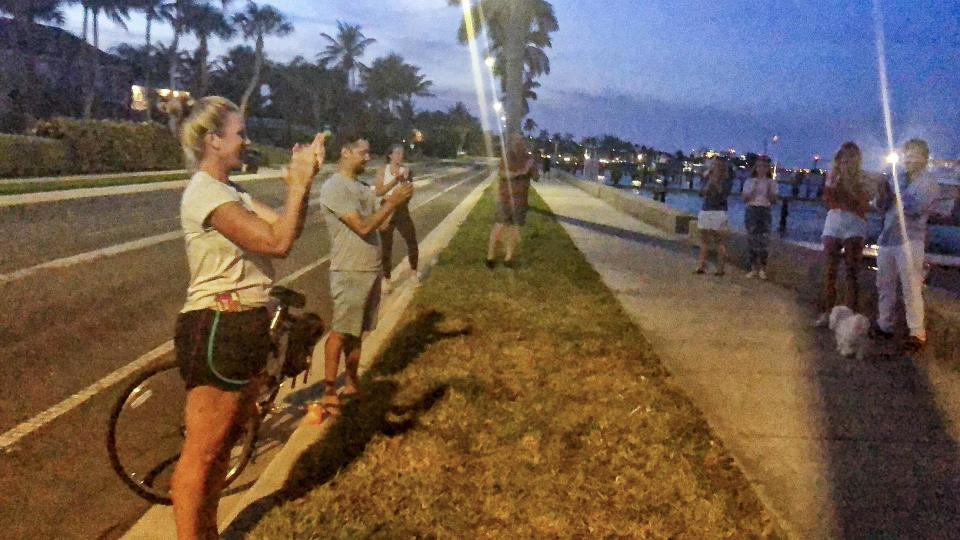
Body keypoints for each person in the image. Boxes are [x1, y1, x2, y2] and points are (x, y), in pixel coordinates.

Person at [170, 96, 324, 540]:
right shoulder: (205, 193)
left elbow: (286, 231)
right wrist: (295, 183)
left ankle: (208, 533)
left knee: (222, 450)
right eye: (239, 133)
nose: (246, 140)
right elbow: (275, 245)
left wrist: (304, 181)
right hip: (218, 324)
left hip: (242, 326)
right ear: (213, 141)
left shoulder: (232, 193)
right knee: (201, 453)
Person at [316, 134, 413, 416]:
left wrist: (398, 199)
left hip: (369, 269)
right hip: (350, 270)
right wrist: (392, 202)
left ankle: (352, 382)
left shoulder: (359, 187)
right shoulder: (335, 188)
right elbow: (363, 227)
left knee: (357, 333)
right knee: (341, 331)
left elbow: (380, 224)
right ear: (345, 152)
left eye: (369, 152)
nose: (368, 157)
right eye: (363, 152)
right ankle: (329, 390)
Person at [873, 139, 940, 351]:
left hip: (911, 240)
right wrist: (882, 196)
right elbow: (881, 206)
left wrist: (892, 196)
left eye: (916, 154)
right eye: (908, 154)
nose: (910, 158)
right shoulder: (897, 178)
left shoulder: (929, 183)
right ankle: (885, 324)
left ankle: (917, 332)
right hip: (887, 238)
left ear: (925, 158)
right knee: (884, 284)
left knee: (911, 287)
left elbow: (915, 207)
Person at [813, 142, 871, 327]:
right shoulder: (833, 177)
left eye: (850, 159)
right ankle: (828, 312)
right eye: (843, 159)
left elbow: (863, 203)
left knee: (852, 273)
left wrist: (844, 199)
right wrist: (844, 199)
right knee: (830, 271)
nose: (846, 163)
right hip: (834, 224)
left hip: (855, 226)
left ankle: (850, 317)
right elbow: (828, 199)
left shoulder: (863, 178)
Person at [486, 133, 538, 268]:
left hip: (521, 200)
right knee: (498, 226)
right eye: (516, 141)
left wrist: (533, 166)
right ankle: (490, 256)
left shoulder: (528, 158)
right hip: (506, 198)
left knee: (515, 229)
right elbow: (503, 174)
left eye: (521, 141)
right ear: (512, 143)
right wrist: (522, 171)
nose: (519, 144)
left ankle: (508, 257)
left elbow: (536, 177)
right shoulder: (507, 156)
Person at [375, 144, 418, 294]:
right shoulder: (382, 170)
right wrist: (395, 182)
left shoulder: (407, 171)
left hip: (401, 210)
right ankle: (386, 279)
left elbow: (409, 193)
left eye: (402, 154)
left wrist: (405, 179)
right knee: (386, 246)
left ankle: (413, 272)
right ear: (390, 155)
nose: (400, 156)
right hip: (385, 209)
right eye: (397, 153)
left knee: (411, 241)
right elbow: (378, 192)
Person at [694, 158, 732, 276]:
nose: (715, 168)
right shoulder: (707, 178)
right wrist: (708, 181)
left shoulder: (726, 181)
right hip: (706, 209)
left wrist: (715, 182)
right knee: (704, 240)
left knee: (719, 241)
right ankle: (701, 265)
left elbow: (723, 195)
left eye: (717, 166)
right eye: (714, 165)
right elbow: (701, 193)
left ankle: (720, 268)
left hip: (719, 211)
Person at [743, 156, 779, 279]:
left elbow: (774, 200)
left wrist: (769, 190)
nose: (761, 169)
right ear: (756, 167)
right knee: (752, 238)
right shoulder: (749, 181)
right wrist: (753, 189)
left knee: (764, 240)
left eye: (764, 166)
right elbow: (745, 199)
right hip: (752, 209)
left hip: (765, 210)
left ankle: (763, 268)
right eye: (759, 166)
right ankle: (753, 267)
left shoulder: (772, 183)